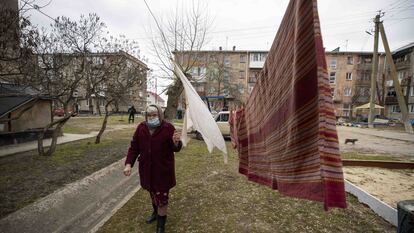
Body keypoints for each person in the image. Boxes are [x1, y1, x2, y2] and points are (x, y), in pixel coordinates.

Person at [123, 104, 182, 233]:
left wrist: (176, 142)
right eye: (149, 115)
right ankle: (156, 214)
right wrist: (128, 164)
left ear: (160, 115)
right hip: (147, 171)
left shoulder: (168, 128)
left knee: (162, 199)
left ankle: (160, 226)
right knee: (153, 194)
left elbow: (175, 149)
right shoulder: (141, 128)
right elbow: (134, 148)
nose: (151, 117)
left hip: (163, 172)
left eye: (154, 115)